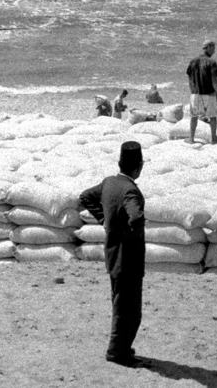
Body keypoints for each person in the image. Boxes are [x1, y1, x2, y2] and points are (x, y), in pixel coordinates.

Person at [78, 141, 149, 367]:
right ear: (138, 167)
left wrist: (106, 222)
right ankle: (117, 352)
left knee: (121, 303)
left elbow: (86, 197)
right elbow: (136, 217)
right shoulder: (130, 191)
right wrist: (130, 233)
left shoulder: (109, 182)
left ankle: (122, 349)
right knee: (129, 310)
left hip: (113, 254)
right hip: (128, 258)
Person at [186, 40, 217, 144]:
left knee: (194, 117)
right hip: (209, 94)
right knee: (213, 117)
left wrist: (192, 89)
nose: (214, 51)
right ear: (208, 47)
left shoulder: (193, 61)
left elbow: (189, 76)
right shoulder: (211, 62)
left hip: (195, 93)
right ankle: (213, 139)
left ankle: (191, 139)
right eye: (213, 48)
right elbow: (214, 80)